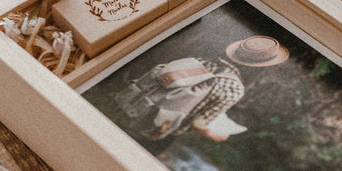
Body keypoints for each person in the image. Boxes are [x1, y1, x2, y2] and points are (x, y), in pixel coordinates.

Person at [114, 35, 288, 143]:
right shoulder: (235, 88)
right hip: (152, 132)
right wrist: (216, 136)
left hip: (128, 107)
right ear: (259, 67)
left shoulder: (203, 61)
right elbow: (198, 124)